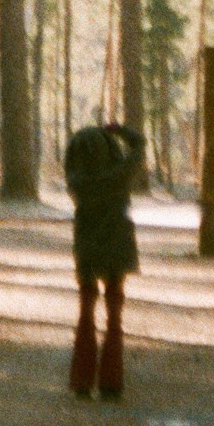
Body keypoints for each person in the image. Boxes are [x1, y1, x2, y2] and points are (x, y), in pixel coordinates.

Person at [63, 116, 142, 401]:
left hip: (86, 242)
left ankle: (81, 382)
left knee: (85, 312)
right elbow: (139, 144)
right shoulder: (119, 175)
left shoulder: (77, 182)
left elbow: (70, 161)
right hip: (117, 242)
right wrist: (119, 129)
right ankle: (111, 383)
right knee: (114, 315)